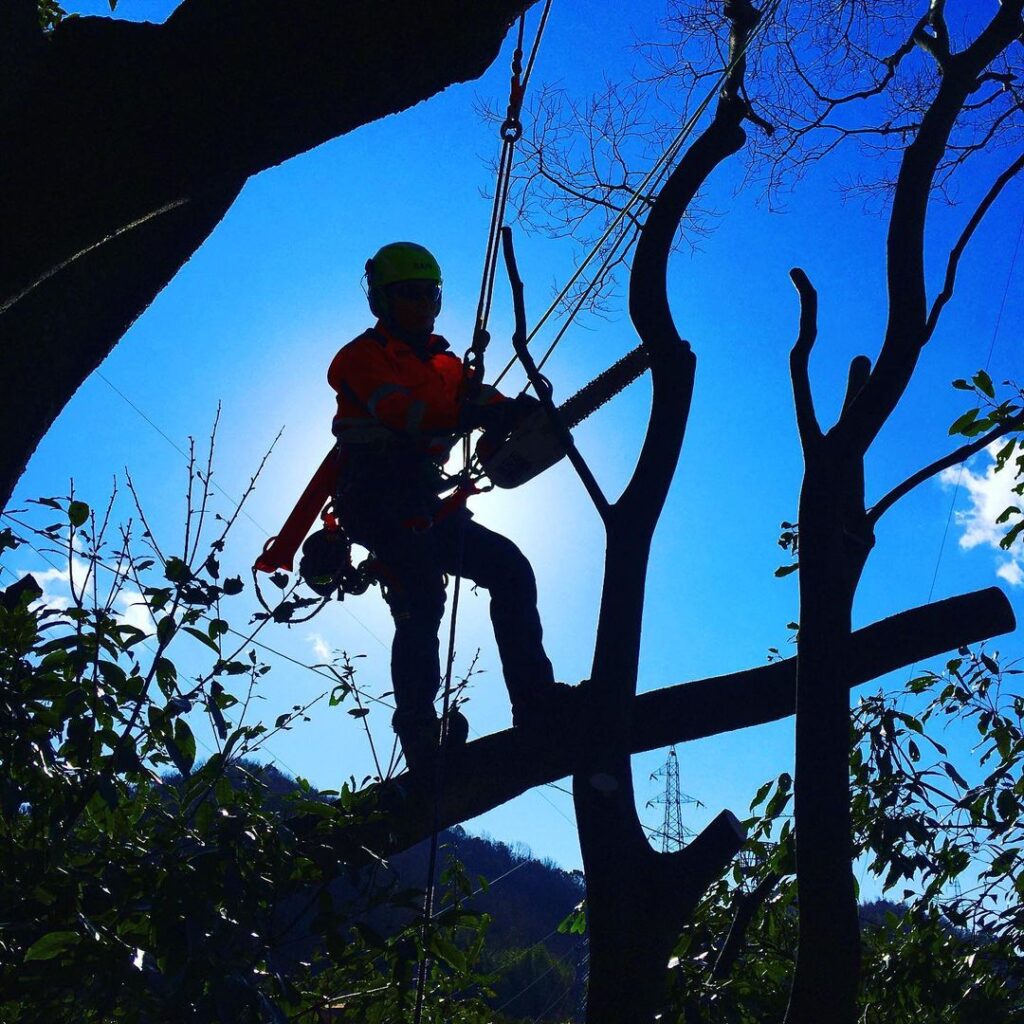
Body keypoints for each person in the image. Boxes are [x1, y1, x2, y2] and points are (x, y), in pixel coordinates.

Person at [328, 241, 565, 770]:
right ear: (382, 302)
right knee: (420, 598)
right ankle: (418, 735)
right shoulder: (357, 360)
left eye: (428, 294)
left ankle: (536, 699)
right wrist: (474, 412)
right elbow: (410, 415)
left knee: (510, 569)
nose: (420, 305)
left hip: (427, 501)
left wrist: (516, 415)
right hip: (375, 496)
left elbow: (479, 401)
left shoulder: (446, 365)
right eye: (407, 295)